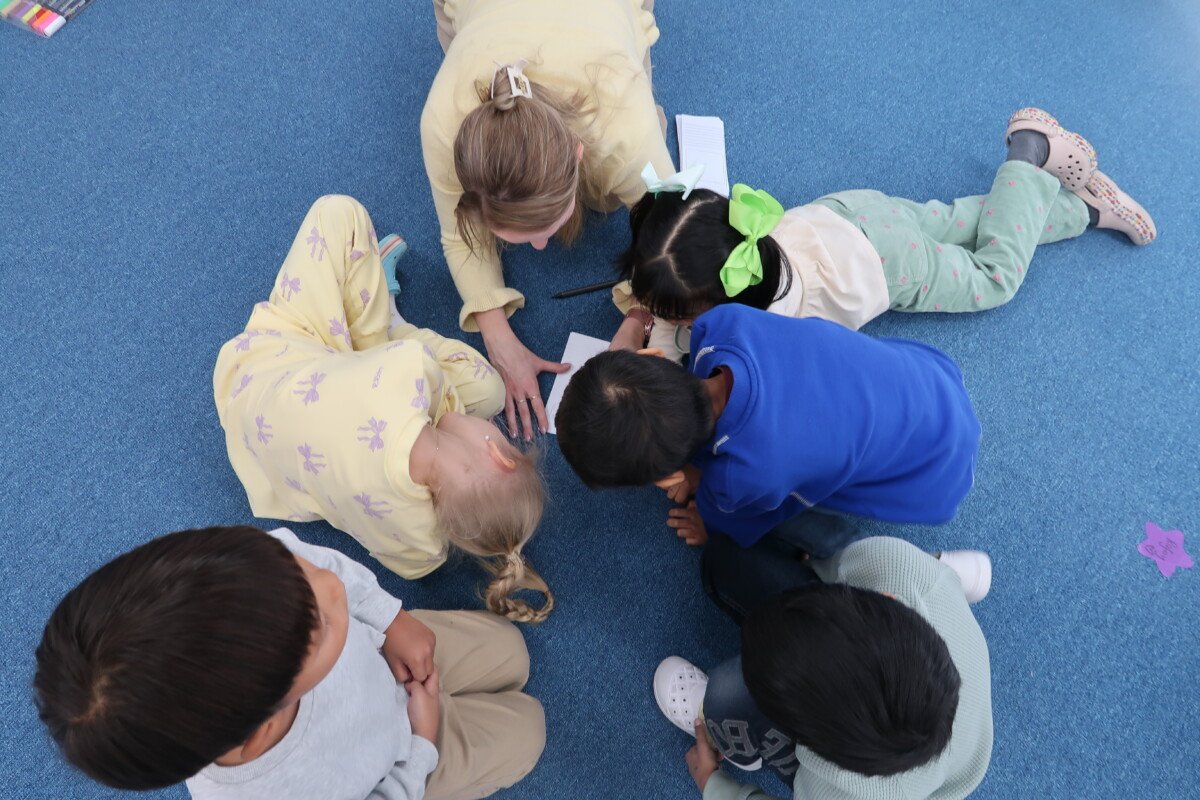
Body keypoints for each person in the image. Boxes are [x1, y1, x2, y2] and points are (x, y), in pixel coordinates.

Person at [213, 195, 551, 622]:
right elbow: (410, 566)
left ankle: (382, 320)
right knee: (486, 393)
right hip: (268, 453)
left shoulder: (409, 371)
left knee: (339, 213)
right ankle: (375, 324)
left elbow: (416, 375)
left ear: (498, 453)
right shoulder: (426, 548)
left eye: (500, 436)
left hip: (260, 369)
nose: (495, 427)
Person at [33, 525, 546, 800]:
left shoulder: (238, 569)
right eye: (318, 625)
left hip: (390, 653)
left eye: (294, 571)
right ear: (260, 728)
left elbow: (311, 562)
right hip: (408, 758)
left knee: (510, 649)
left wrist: (390, 618)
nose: (329, 585)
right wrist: (421, 748)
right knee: (529, 731)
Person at [608, 108, 1157, 359]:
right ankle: (1081, 207)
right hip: (851, 212)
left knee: (992, 275)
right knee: (966, 221)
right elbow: (685, 285)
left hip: (892, 266)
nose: (667, 320)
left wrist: (656, 347)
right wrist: (643, 318)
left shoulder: (762, 329)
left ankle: (1029, 157)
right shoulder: (734, 246)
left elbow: (715, 368)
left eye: (679, 316)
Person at [420, 0, 676, 438]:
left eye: (546, 229)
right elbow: (459, 236)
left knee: (614, 198)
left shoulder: (625, 126)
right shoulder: (444, 124)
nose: (541, 247)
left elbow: (672, 231)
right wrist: (498, 341)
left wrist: (640, 317)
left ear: (578, 155)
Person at [555, 304, 981, 554]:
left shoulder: (739, 480)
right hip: (931, 380)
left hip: (934, 473)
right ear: (652, 355)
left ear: (668, 479)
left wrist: (708, 519)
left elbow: (746, 516)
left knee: (787, 519)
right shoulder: (720, 324)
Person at [653, 534, 993, 800]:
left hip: (894, 780)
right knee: (726, 562)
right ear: (885, 598)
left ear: (813, 742)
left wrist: (713, 784)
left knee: (725, 698)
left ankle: (734, 739)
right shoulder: (894, 565)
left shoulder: (842, 789)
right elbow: (841, 568)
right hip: (925, 603)